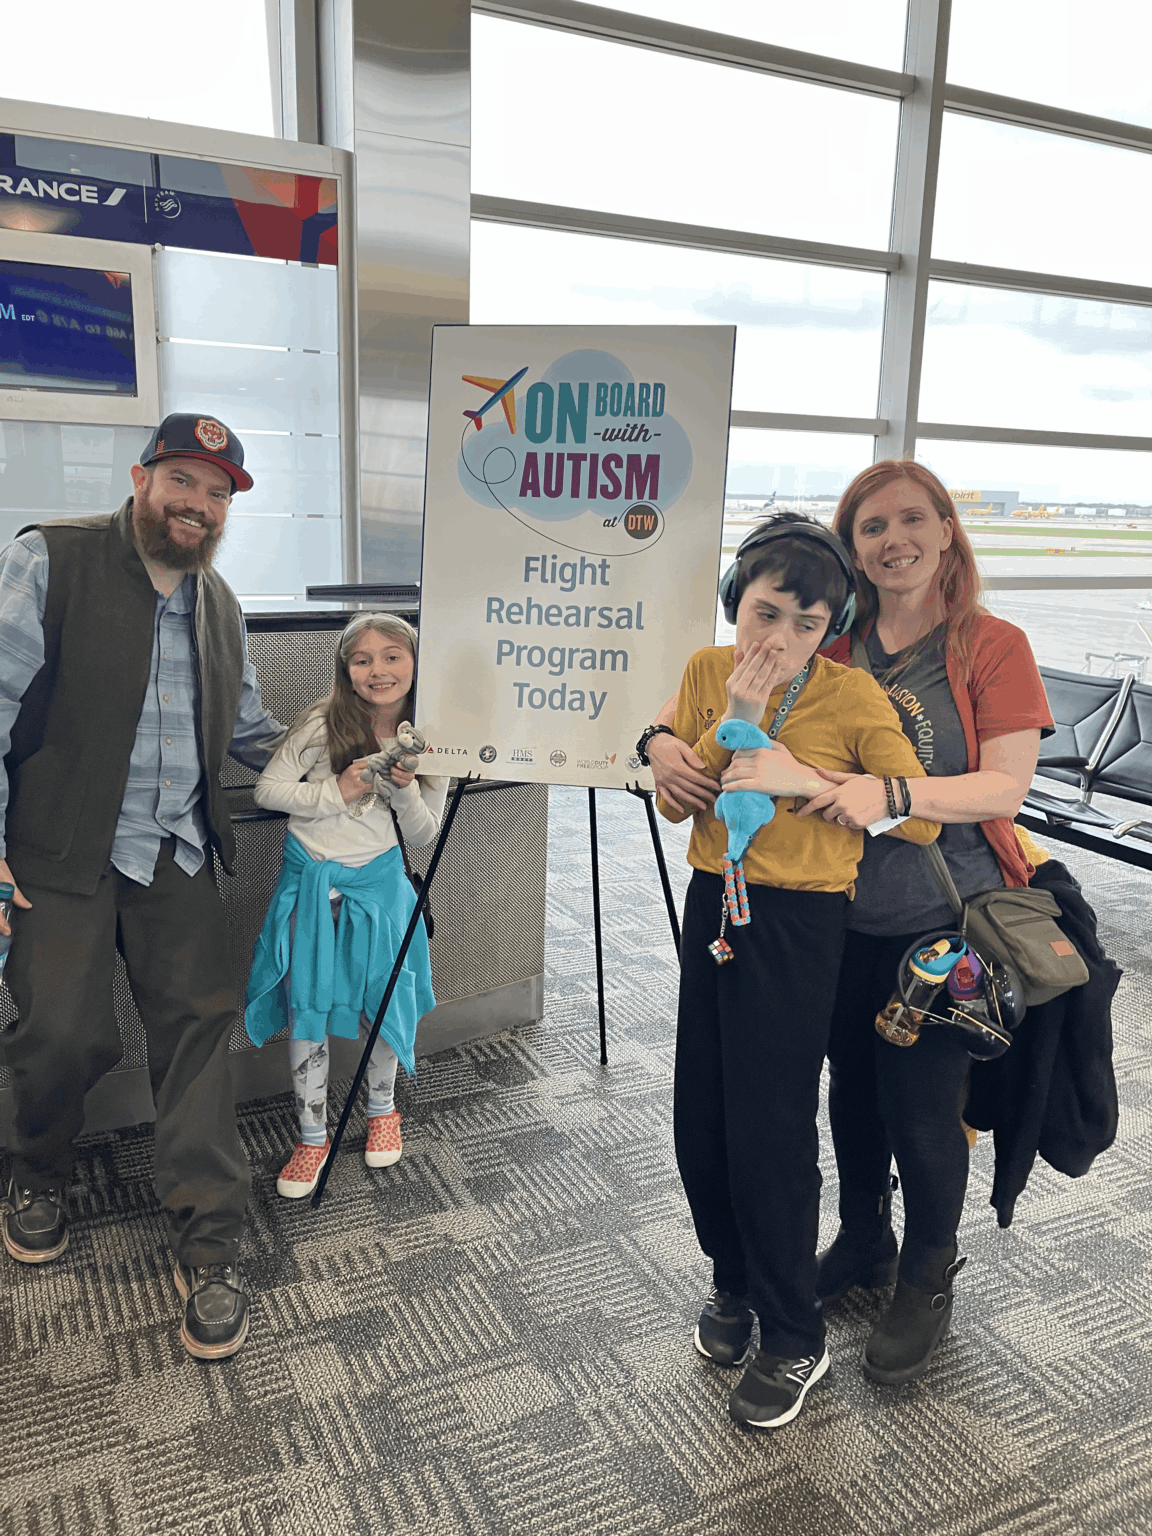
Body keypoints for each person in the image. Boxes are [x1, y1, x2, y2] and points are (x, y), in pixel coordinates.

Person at [668, 462, 1054, 1387]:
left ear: (948, 530)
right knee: (840, 1099)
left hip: (936, 909)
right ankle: (864, 1243)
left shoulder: (988, 646)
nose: (893, 540)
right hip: (833, 915)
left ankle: (926, 1274)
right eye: (871, 525)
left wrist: (863, 789)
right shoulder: (833, 644)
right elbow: (714, 714)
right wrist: (661, 743)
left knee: (921, 1106)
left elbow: (1004, 786)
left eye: (912, 520)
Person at [0, 413, 284, 1360]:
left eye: (217, 492)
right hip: (61, 851)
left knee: (200, 1037)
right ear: (142, 477)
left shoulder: (221, 607)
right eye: (183, 482)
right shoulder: (52, 561)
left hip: (177, 854)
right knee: (63, 1033)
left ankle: (211, 1241)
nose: (198, 504)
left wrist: (357, 755)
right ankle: (37, 1168)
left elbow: (250, 732)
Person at [648, 512, 940, 1431]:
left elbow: (919, 819)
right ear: (739, 602)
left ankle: (794, 1332)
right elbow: (678, 783)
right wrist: (665, 764)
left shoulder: (855, 699)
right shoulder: (705, 668)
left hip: (801, 917)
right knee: (702, 1111)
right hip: (712, 902)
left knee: (770, 1126)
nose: (778, 639)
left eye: (805, 624)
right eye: (765, 612)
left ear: (831, 627)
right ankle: (732, 1284)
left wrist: (794, 774)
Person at [244, 614, 447, 1199]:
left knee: (381, 1003)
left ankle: (383, 1108)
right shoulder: (321, 721)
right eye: (362, 659)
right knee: (306, 1007)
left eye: (392, 656)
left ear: (414, 662)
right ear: (345, 669)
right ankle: (312, 1135)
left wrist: (404, 788)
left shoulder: (431, 734)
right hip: (309, 888)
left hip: (379, 891)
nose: (378, 670)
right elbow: (268, 790)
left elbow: (425, 835)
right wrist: (339, 790)